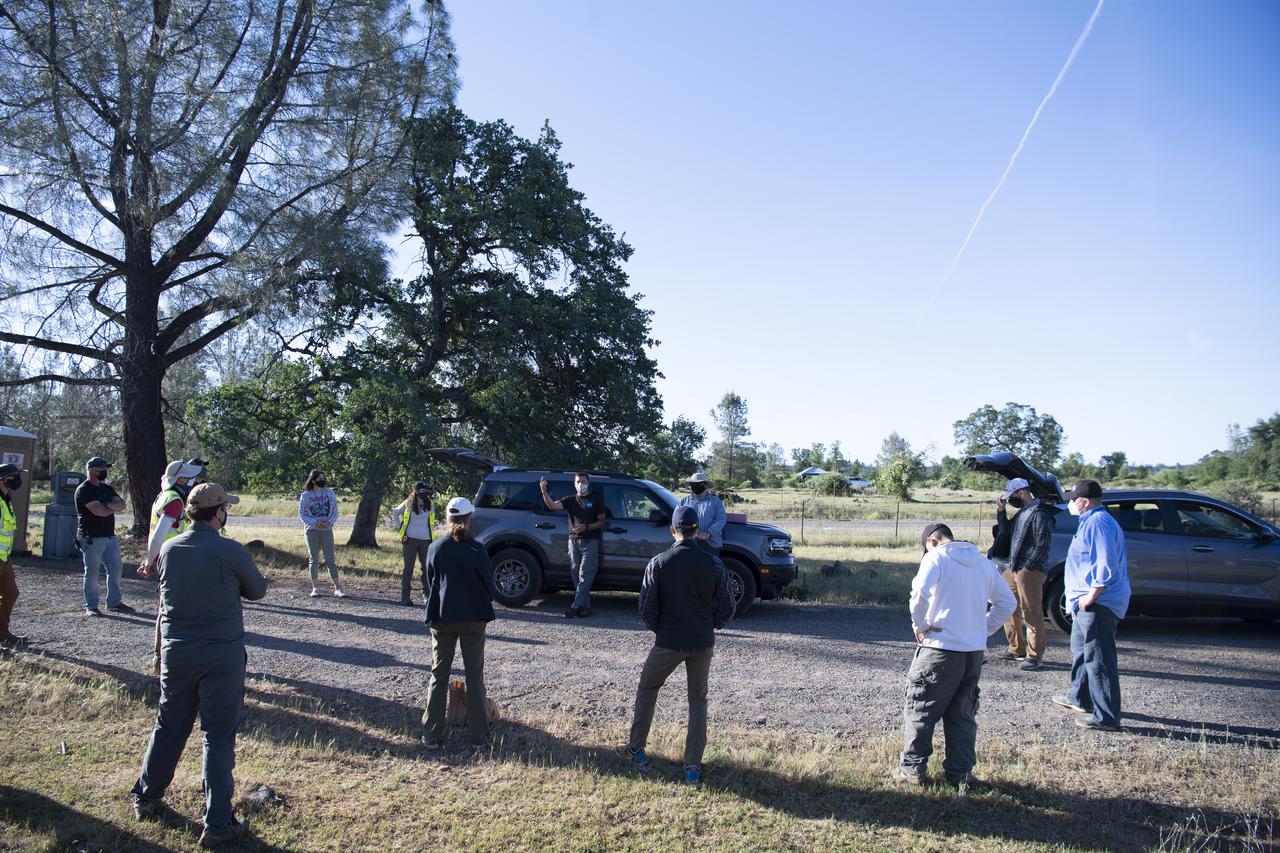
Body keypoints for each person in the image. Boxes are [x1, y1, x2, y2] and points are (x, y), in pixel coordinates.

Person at [129, 483, 268, 847]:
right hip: (221, 653)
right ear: (218, 512)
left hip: (177, 651)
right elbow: (257, 590)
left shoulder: (169, 550)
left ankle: (147, 794)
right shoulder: (230, 550)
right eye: (226, 509)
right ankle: (218, 823)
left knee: (170, 723)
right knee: (217, 736)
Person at [894, 522, 1016, 789]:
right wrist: (983, 628)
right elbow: (1008, 603)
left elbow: (919, 595)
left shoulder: (935, 558)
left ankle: (913, 769)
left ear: (932, 542)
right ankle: (960, 773)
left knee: (921, 708)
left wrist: (921, 625)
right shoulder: (984, 564)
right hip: (972, 652)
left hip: (939, 649)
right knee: (962, 714)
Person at [621, 505, 735, 785]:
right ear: (697, 530)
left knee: (648, 688)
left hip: (668, 642)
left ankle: (636, 750)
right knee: (698, 701)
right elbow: (728, 606)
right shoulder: (714, 564)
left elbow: (646, 607)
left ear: (673, 530)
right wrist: (712, 624)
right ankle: (692, 766)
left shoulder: (659, 563)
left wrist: (661, 628)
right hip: (701, 642)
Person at [1052, 479, 1130, 732]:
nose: (1070, 505)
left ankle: (1107, 716)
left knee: (1099, 659)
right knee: (1081, 651)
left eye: (1072, 500)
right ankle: (1079, 697)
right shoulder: (1088, 522)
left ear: (1084, 502)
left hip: (1097, 603)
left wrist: (1092, 595)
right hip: (1083, 603)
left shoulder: (1099, 523)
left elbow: (1105, 563)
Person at [421, 497, 497, 748]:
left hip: (442, 619)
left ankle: (431, 735)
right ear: (470, 520)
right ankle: (479, 737)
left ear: (447, 519)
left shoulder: (436, 548)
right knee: (474, 676)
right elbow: (489, 585)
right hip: (473, 620)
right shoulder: (477, 549)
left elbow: (430, 581)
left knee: (438, 676)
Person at [992, 477, 1056, 671]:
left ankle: (1035, 656)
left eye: (1011, 496)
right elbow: (1005, 530)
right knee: (1007, 604)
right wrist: (1001, 511)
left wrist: (1028, 568)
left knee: (1031, 611)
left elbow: (1042, 545)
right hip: (1014, 567)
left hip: (1029, 570)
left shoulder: (1039, 514)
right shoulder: (1023, 513)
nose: (1011, 500)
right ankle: (1016, 648)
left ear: (1020, 493)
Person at [539, 472, 605, 618]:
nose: (581, 484)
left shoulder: (596, 500)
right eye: (578, 482)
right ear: (574, 484)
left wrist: (586, 527)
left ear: (588, 483)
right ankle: (586, 607)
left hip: (590, 541)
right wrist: (543, 491)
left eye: (583, 481)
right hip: (573, 541)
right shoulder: (570, 500)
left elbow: (601, 522)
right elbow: (552, 506)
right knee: (576, 575)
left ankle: (575, 607)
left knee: (585, 575)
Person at [74, 456, 130, 616]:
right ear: (92, 470)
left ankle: (114, 603)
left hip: (109, 537)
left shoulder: (107, 488)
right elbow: (98, 511)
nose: (105, 472)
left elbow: (123, 504)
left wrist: (107, 506)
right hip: (91, 537)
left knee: (116, 569)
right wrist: (112, 506)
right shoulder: (84, 490)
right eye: (102, 469)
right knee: (91, 573)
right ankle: (91, 607)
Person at [140, 460, 203, 577]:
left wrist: (151, 559)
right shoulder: (174, 501)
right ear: (180, 479)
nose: (195, 480)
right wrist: (149, 564)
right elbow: (158, 537)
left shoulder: (164, 495)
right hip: (173, 559)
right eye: (191, 477)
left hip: (166, 556)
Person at [298, 469, 344, 597]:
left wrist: (329, 522)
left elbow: (335, 510)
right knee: (314, 559)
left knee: (330, 559)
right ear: (313, 480)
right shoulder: (305, 496)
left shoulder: (330, 493)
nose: (322, 481)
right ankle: (315, 588)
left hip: (327, 530)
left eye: (323, 478)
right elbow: (302, 514)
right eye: (319, 479)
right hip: (312, 531)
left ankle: (338, 588)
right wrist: (314, 522)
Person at [391, 481, 435, 606]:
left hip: (426, 540)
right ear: (416, 491)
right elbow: (395, 512)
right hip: (410, 540)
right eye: (423, 491)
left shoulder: (430, 504)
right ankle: (405, 597)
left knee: (426, 569)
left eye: (427, 492)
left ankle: (427, 597)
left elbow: (432, 521)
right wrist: (399, 527)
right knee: (408, 569)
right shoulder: (408, 503)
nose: (426, 494)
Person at [0, 463, 28, 647]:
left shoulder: (6, 498)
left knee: (11, 593)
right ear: (4, 479)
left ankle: (2, 632)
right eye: (14, 476)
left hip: (4, 558)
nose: (18, 479)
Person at [678, 472, 726, 555]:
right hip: (688, 544)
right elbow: (676, 519)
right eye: (693, 484)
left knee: (710, 567)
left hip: (711, 545)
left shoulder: (716, 502)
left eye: (699, 484)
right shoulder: (683, 502)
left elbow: (721, 520)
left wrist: (708, 533)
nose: (696, 486)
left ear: (706, 485)